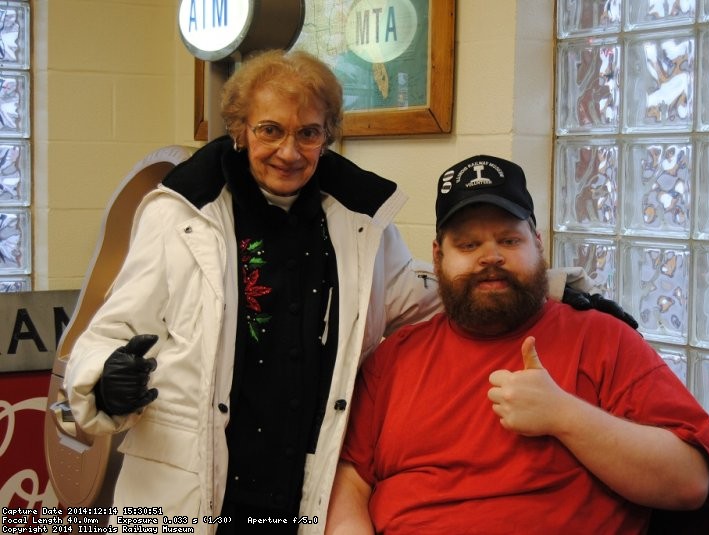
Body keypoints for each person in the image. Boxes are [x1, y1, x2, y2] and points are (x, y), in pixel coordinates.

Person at [63, 50, 634, 533]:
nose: (289, 151)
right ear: (240, 130)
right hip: (183, 493)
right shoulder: (180, 215)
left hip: (297, 493)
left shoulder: (358, 223)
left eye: (308, 133)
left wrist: (556, 288)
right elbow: (106, 335)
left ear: (328, 136)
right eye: (270, 130)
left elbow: (425, 294)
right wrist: (106, 381)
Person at [325, 155, 709, 535]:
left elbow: (688, 483)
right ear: (437, 255)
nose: (490, 257)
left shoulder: (604, 339)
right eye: (468, 245)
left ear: (538, 243)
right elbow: (350, 479)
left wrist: (564, 415)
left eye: (509, 240)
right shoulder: (394, 358)